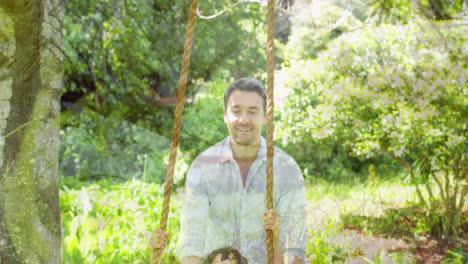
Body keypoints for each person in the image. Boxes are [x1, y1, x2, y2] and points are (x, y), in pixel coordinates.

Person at [150, 77, 307, 264]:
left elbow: (295, 248)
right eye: (236, 111)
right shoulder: (203, 167)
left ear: (266, 116)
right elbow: (192, 241)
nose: (244, 120)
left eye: (253, 112)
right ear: (225, 114)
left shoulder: (286, 169)